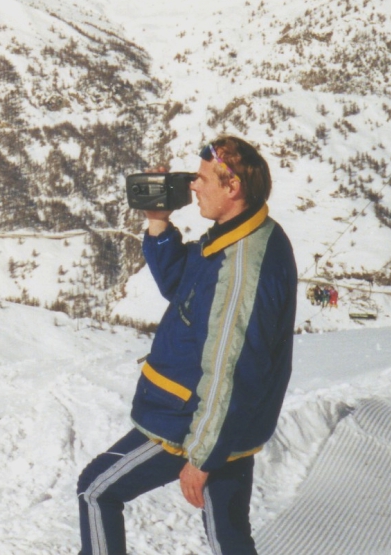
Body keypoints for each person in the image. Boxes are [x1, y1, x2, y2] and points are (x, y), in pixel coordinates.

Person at [78, 136, 297, 555]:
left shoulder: (240, 267)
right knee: (228, 536)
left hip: (190, 423)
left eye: (200, 179)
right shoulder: (237, 236)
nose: (193, 187)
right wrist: (158, 222)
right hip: (227, 424)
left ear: (231, 187)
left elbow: (228, 369)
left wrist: (200, 456)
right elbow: (183, 288)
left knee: (96, 490)